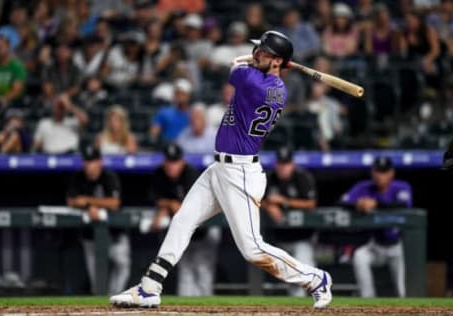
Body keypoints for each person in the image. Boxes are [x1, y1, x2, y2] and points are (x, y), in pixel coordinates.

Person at [110, 30, 332, 309]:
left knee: (252, 249)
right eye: (258, 50)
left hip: (240, 174)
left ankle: (315, 279)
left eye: (263, 51)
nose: (256, 54)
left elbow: (236, 64)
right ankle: (149, 287)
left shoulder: (254, 83)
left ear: (276, 60)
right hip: (219, 168)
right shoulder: (276, 88)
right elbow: (249, 64)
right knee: (182, 220)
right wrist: (273, 63)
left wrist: (267, 63)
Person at [149, 143, 219, 296]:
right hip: (186, 234)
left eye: (175, 162)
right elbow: (155, 199)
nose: (171, 166)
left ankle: (208, 310)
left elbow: (197, 207)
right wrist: (169, 204)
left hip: (204, 230)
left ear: (182, 161)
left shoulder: (192, 175)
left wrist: (177, 206)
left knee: (202, 272)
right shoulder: (159, 174)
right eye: (168, 161)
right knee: (186, 272)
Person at [340, 156, 412, 298]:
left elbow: (403, 205)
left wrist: (376, 204)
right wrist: (358, 204)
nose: (380, 175)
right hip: (375, 245)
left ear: (391, 173)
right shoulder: (364, 187)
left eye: (384, 171)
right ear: (372, 172)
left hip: (397, 246)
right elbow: (342, 201)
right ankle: (368, 299)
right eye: (377, 171)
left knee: (403, 291)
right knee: (360, 256)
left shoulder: (401, 187)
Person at [67, 145, 130, 295]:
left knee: (123, 266)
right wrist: (90, 206)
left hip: (115, 234)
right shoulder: (78, 177)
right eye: (87, 161)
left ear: (100, 162)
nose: (89, 165)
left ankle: (116, 296)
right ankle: (101, 305)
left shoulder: (109, 177)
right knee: (96, 278)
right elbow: (71, 201)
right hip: (90, 237)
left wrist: (88, 202)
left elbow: (115, 203)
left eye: (92, 161)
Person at [263, 147, 318, 297]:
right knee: (292, 282)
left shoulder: (302, 177)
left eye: (286, 163)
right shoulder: (270, 178)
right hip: (280, 240)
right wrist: (269, 206)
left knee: (304, 277)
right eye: (280, 163)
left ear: (292, 164)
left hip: (303, 238)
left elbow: (311, 204)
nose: (283, 167)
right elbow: (255, 200)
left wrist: (285, 202)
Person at [0, 26, 26, 108]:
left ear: (9, 47)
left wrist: (3, 98)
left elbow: (16, 90)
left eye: (2, 46)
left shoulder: (17, 67)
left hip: (15, 104)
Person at [150, 78, 192, 144]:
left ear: (188, 96)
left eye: (182, 94)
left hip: (188, 148)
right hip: (167, 146)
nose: (180, 97)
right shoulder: (164, 112)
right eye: (177, 94)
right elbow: (154, 132)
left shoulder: (193, 114)